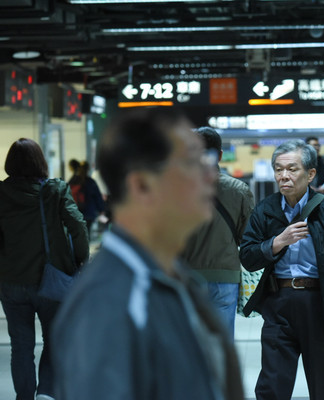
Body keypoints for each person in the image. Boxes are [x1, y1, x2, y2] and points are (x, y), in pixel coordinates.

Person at [51, 108, 244, 400]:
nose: (210, 174)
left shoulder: (169, 279)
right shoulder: (110, 300)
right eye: (192, 163)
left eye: (208, 160)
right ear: (141, 185)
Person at [239, 139, 324, 400]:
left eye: (292, 169)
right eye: (278, 169)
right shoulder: (265, 210)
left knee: (322, 382)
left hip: (320, 304)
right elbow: (248, 256)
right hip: (278, 303)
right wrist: (278, 242)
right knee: (272, 384)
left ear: (311, 174)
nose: (284, 176)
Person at [0, 138, 89, 400]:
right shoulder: (55, 190)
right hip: (53, 280)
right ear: (41, 162)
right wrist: (80, 260)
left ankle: (25, 396)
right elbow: (78, 225)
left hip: (11, 282)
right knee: (54, 339)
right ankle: (47, 393)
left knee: (21, 345)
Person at [180, 126, 254, 341]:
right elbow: (248, 237)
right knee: (221, 344)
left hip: (187, 276)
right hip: (225, 277)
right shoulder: (239, 189)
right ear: (220, 155)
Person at [71, 161, 105, 237]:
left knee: (78, 235)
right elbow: (98, 197)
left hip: (76, 212)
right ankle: (85, 247)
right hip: (89, 212)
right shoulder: (91, 182)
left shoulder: (74, 181)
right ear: (88, 170)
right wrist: (101, 209)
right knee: (86, 233)